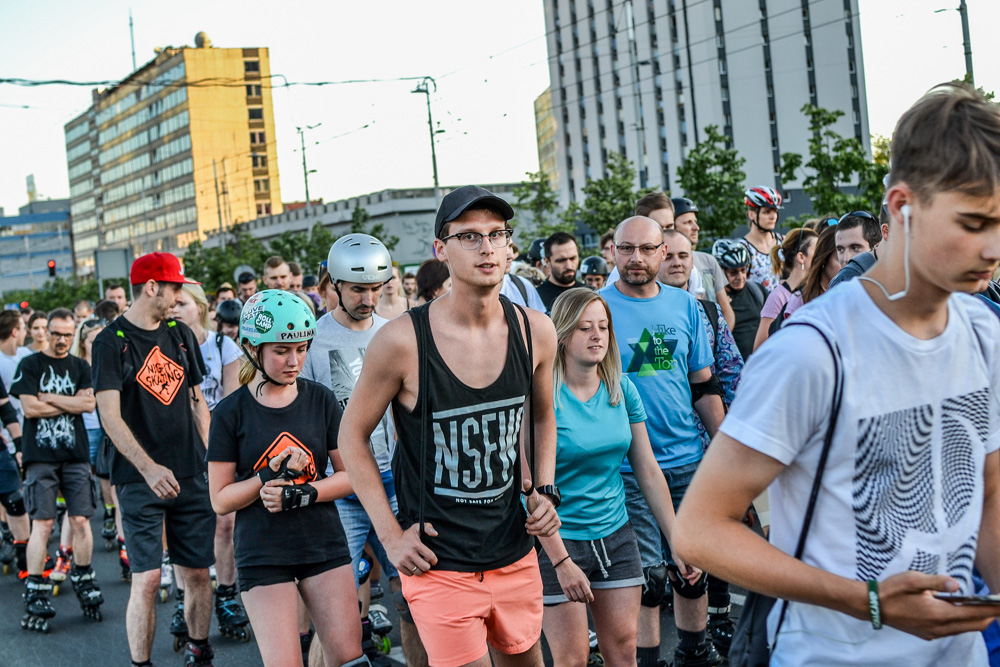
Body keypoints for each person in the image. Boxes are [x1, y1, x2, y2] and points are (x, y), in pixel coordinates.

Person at [675, 82, 1000, 667]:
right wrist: (868, 600)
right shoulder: (813, 351)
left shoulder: (983, 332)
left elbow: (992, 494)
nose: (993, 246)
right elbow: (700, 530)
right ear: (902, 208)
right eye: (974, 223)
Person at [339, 185, 561, 667]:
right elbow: (350, 436)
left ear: (510, 247)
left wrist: (544, 487)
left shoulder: (535, 330)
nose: (486, 247)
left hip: (514, 550)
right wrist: (391, 535)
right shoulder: (401, 341)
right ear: (441, 249)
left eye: (496, 235)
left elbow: (543, 414)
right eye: (470, 237)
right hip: (438, 561)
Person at [540, 287, 700, 667]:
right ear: (562, 334)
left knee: (624, 650)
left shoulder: (622, 386)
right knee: (572, 659)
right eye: (584, 328)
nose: (597, 336)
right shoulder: (543, 392)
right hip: (561, 538)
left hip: (615, 533)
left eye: (604, 327)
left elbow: (646, 468)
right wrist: (561, 561)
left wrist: (676, 541)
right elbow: (529, 488)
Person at [207, 290, 366, 667]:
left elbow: (352, 477)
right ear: (251, 348)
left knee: (350, 659)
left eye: (301, 349)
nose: (294, 361)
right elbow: (220, 499)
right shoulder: (230, 413)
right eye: (281, 350)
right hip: (263, 553)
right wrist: (267, 475)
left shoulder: (321, 399)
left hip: (322, 543)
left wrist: (304, 494)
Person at [600, 216, 726, 666]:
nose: (636, 258)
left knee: (692, 569)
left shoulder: (685, 306)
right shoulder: (597, 309)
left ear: (663, 253)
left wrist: (724, 450)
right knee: (649, 578)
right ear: (612, 252)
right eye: (626, 248)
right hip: (626, 466)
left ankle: (694, 653)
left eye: (647, 249)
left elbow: (703, 386)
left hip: (687, 458)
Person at [302, 235, 427, 664]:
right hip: (339, 490)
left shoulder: (396, 334)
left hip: (394, 485)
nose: (369, 298)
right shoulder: (312, 340)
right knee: (335, 611)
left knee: (413, 599)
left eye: (376, 287)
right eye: (358, 289)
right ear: (333, 285)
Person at [91, 252, 217, 667]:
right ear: (151, 287)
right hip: (138, 479)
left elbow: (198, 403)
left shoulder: (180, 334)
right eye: (175, 288)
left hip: (190, 473)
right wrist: (148, 468)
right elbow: (108, 414)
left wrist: (214, 461)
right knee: (146, 580)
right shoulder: (109, 342)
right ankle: (141, 663)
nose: (180, 297)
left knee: (199, 573)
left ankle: (200, 650)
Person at [11, 308, 102, 628]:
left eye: (67, 334)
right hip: (40, 457)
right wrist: (66, 401)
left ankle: (84, 574)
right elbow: (30, 408)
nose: (62, 340)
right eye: (56, 333)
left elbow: (89, 404)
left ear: (73, 333)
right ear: (46, 332)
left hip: (74, 455)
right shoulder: (30, 364)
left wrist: (47, 395)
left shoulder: (80, 366)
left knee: (80, 519)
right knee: (44, 523)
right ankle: (36, 584)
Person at [171, 283, 248, 639]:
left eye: (181, 304)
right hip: (181, 446)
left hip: (219, 443)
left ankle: (227, 594)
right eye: (171, 304)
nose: (173, 309)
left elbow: (232, 403)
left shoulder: (222, 345)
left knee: (225, 524)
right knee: (180, 524)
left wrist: (220, 447)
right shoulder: (168, 345)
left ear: (199, 308)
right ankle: (182, 595)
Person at [670, 198, 736, 329]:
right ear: (673, 226)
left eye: (695, 222)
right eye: (688, 222)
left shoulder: (709, 260)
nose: (696, 227)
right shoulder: (663, 264)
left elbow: (726, 310)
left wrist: (720, 342)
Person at [752, 227, 817, 351]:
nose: (822, 255)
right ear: (801, 257)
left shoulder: (814, 290)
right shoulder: (778, 297)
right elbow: (759, 349)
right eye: (817, 250)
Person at [713, 240, 766, 361]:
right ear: (721, 272)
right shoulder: (714, 298)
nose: (740, 277)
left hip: (760, 363)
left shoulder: (757, 290)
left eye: (743, 270)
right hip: (731, 368)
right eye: (733, 272)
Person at [785, 224, 842, 316]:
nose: (847, 262)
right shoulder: (800, 300)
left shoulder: (854, 296)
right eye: (839, 258)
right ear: (824, 259)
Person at [741, 186, 785, 291]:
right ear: (751, 214)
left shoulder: (784, 242)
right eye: (767, 212)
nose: (773, 216)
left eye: (775, 211)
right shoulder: (743, 249)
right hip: (760, 306)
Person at [0, 311, 31, 442]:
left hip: (27, 428)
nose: (25, 332)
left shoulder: (26, 354)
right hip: (6, 433)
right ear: (15, 332)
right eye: (23, 328)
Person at [537, 232, 585, 314]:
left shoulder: (590, 293)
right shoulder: (537, 298)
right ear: (547, 261)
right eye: (561, 260)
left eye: (573, 258)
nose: (569, 266)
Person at [501, 243, 546, 312]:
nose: (511, 256)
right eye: (503, 247)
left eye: (510, 247)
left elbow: (540, 319)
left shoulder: (524, 285)